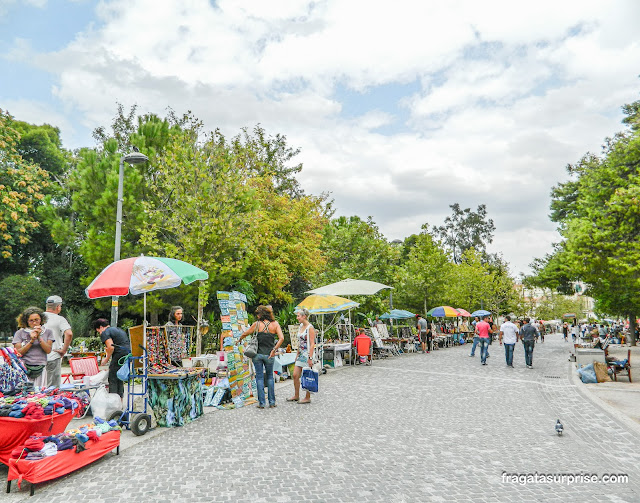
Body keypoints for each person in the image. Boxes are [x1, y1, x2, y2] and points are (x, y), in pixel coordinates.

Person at [238, 305, 284, 409]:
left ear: (261, 314)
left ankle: (262, 403)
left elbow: (246, 333)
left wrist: (239, 339)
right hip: (270, 355)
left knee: (259, 378)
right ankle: (272, 402)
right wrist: (274, 349)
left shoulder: (257, 324)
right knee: (270, 378)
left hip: (257, 355)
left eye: (258, 314)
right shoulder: (275, 324)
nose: (257, 316)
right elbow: (281, 338)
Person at [13, 307, 55, 387]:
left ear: (41, 320)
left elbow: (48, 350)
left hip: (41, 367)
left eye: (37, 320)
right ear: (26, 321)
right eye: (31, 320)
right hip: (25, 367)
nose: (34, 323)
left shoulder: (48, 332)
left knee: (39, 392)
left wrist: (39, 337)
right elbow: (18, 352)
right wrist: (31, 341)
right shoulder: (20, 333)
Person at [93, 319, 131, 398]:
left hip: (119, 353)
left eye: (98, 331)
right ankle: (120, 399)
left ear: (101, 327)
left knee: (113, 376)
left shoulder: (105, 332)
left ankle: (113, 401)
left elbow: (111, 347)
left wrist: (106, 359)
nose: (100, 334)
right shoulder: (118, 330)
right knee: (119, 376)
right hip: (127, 353)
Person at [43, 295, 73, 388]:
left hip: (36, 358)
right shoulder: (59, 319)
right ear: (58, 307)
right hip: (53, 355)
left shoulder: (36, 318)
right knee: (52, 388)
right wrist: (64, 350)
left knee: (39, 386)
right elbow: (69, 333)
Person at [288, 308, 315, 404]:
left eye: (298, 316)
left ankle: (307, 397)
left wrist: (310, 357)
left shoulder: (310, 328)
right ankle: (296, 395)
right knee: (295, 375)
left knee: (307, 375)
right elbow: (300, 341)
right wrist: (297, 353)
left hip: (307, 354)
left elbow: (312, 343)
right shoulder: (300, 326)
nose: (297, 317)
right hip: (301, 353)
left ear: (304, 316)